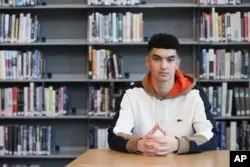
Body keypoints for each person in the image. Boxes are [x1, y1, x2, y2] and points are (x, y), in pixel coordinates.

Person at [107, 33, 218, 155]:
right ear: (147, 61)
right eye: (157, 59)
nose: (164, 66)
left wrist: (178, 144)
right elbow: (114, 135)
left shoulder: (195, 94)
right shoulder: (131, 94)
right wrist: (139, 144)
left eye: (170, 60)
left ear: (177, 63)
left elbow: (211, 137)